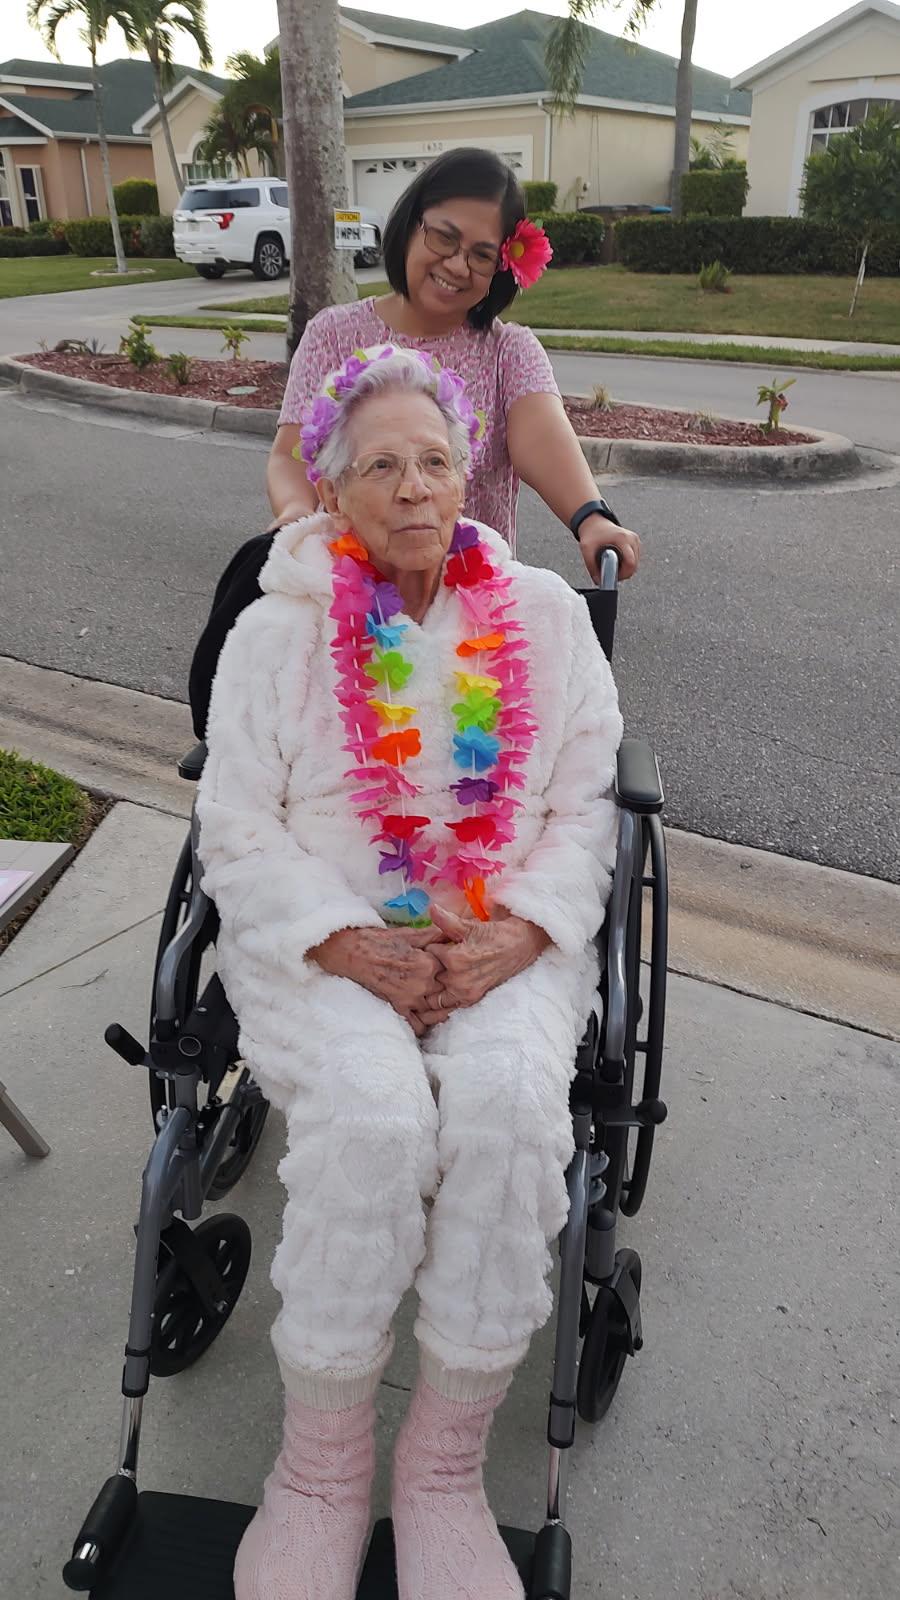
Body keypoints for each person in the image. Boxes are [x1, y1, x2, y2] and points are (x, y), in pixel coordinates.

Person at [196, 345, 623, 1600]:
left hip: (504, 942)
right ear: (331, 494)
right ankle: (323, 1472)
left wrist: (526, 929)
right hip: (324, 937)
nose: (415, 489)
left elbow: (591, 801)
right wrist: (338, 938)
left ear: (468, 474)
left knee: (502, 1116)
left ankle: (439, 1471)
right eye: (380, 466)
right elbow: (235, 822)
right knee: (375, 1121)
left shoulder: (543, 616)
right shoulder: (276, 632)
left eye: (436, 461)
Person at [188, 146, 640, 741]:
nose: (457, 265)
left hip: (467, 612)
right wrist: (299, 517)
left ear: (502, 267)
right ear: (411, 223)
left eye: (481, 255)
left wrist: (591, 519)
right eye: (444, 238)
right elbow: (289, 457)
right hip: (351, 606)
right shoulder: (334, 334)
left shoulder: (507, 351)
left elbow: (542, 440)